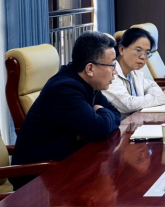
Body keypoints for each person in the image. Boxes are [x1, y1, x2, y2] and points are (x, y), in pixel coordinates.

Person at [11, 32, 121, 188]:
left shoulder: (87, 82)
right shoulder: (64, 89)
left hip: (65, 168)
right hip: (38, 181)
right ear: (90, 68)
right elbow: (100, 129)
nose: (115, 72)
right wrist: (101, 112)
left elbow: (116, 114)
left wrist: (101, 112)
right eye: (112, 65)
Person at [103, 28, 165, 114]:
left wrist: (152, 97)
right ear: (122, 49)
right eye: (138, 50)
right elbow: (128, 104)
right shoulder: (110, 73)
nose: (143, 57)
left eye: (147, 53)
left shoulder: (134, 73)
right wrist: (162, 97)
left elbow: (152, 85)